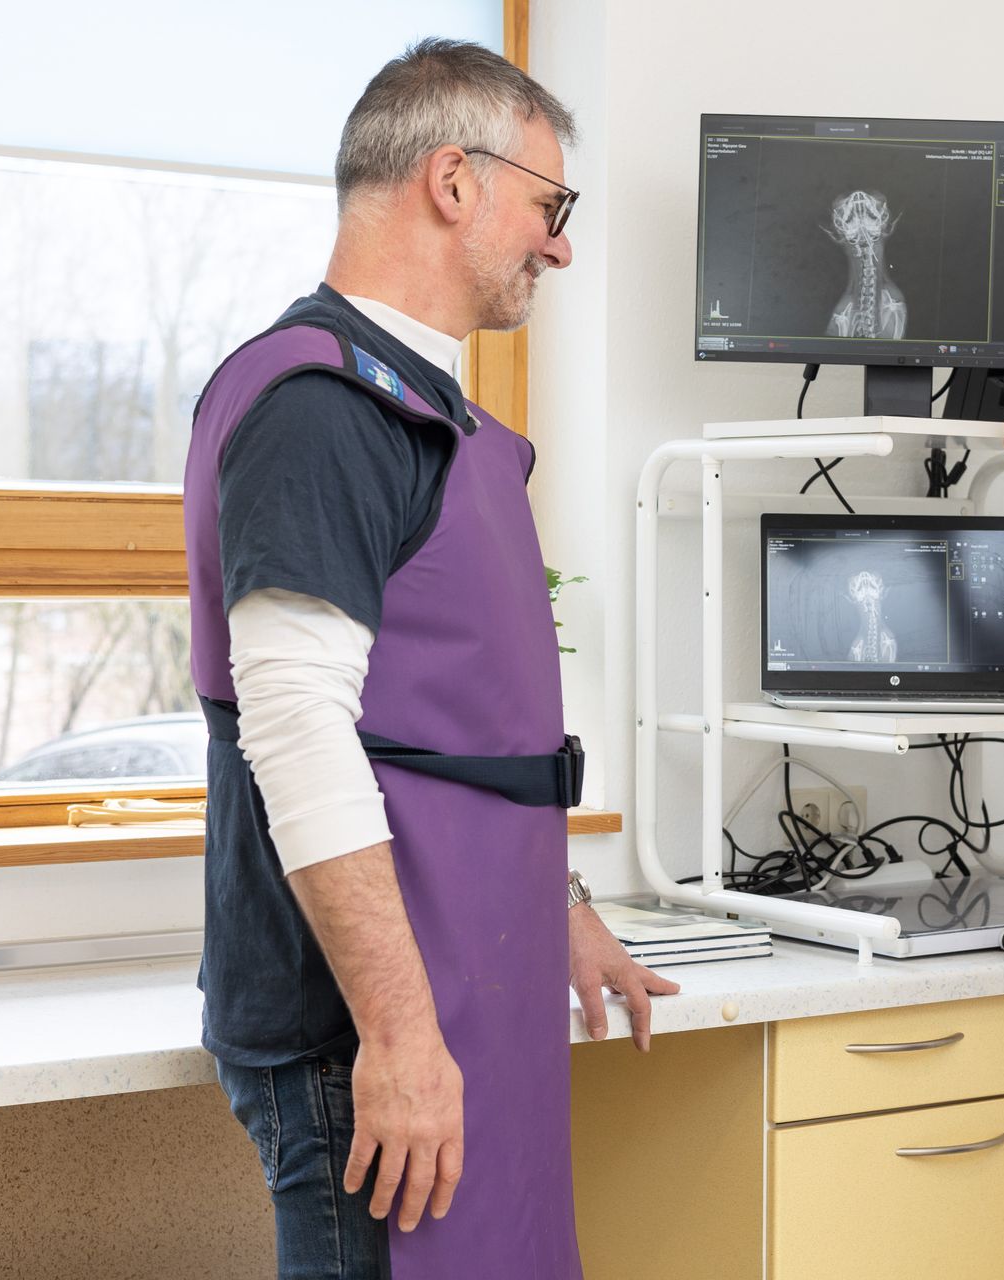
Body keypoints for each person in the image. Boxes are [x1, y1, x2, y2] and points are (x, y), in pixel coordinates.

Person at [183, 39, 677, 1280]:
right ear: (453, 181)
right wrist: (399, 1035)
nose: (561, 245)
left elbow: (457, 722)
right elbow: (296, 727)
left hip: (467, 979)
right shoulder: (322, 412)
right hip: (369, 1023)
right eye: (551, 205)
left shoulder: (426, 416)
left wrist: (558, 903)